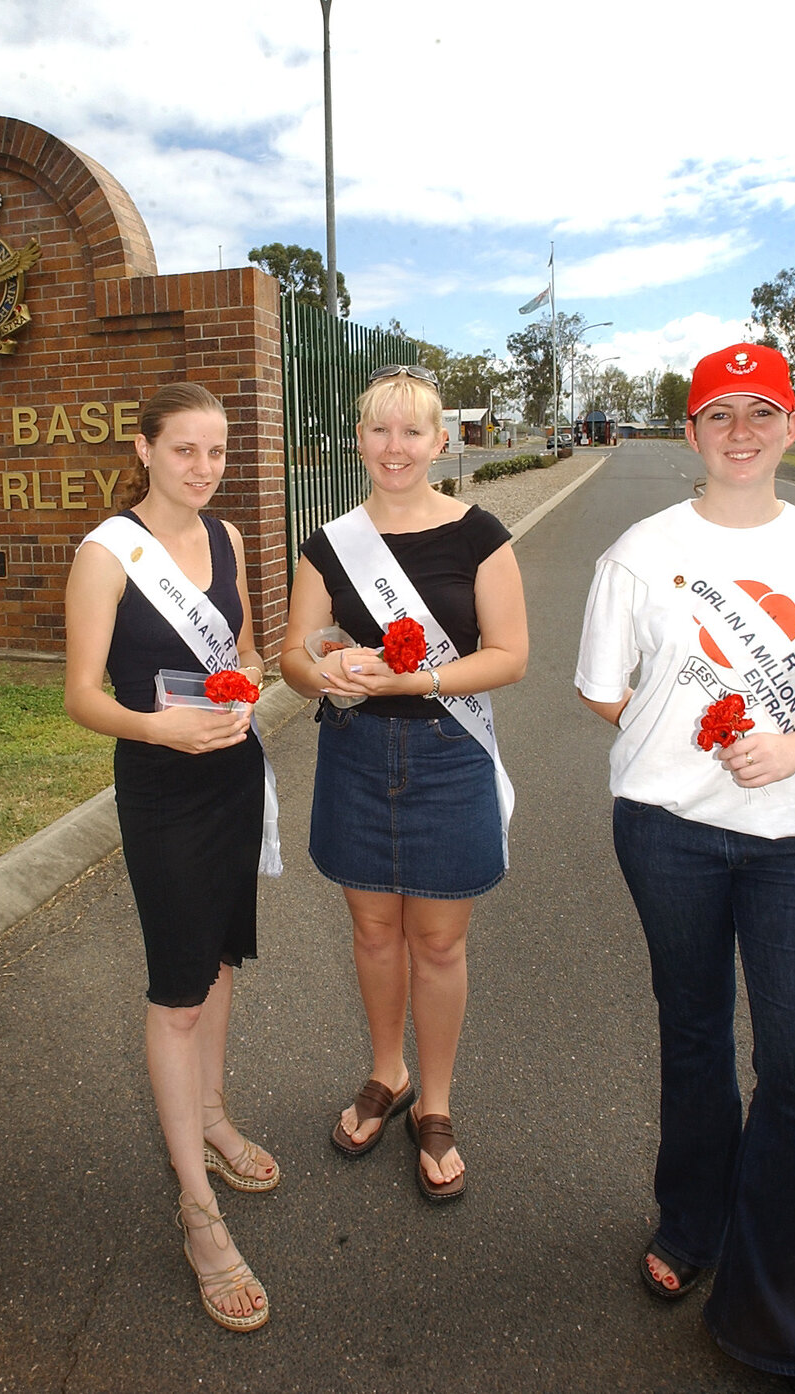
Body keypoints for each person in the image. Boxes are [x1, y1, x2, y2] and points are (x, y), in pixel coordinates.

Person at [575, 343, 795, 1392]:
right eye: (718, 414)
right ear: (688, 433)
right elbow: (604, 689)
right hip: (668, 832)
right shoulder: (639, 552)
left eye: (760, 411)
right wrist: (683, 732)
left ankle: (771, 1313)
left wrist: (792, 745)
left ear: (793, 424)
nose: (740, 431)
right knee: (692, 1031)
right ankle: (690, 1218)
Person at [280, 363, 528, 1201]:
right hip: (355, 753)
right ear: (359, 439)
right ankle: (386, 1075)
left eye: (412, 430)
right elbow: (292, 654)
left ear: (440, 440)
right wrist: (330, 669)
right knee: (376, 933)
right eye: (379, 429)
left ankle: (439, 1103)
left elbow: (509, 655)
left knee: (440, 942)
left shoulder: (479, 534)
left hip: (449, 756)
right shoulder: (330, 541)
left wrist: (414, 682)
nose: (395, 447)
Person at [64, 382, 278, 1333]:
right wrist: (163, 730)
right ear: (144, 449)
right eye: (185, 451)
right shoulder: (105, 554)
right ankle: (198, 1211)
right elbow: (81, 696)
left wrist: (246, 688)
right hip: (163, 788)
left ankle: (213, 1114)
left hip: (231, 775)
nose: (204, 469)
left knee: (222, 960)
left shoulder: (226, 540)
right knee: (177, 989)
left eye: (218, 453)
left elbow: (243, 652)